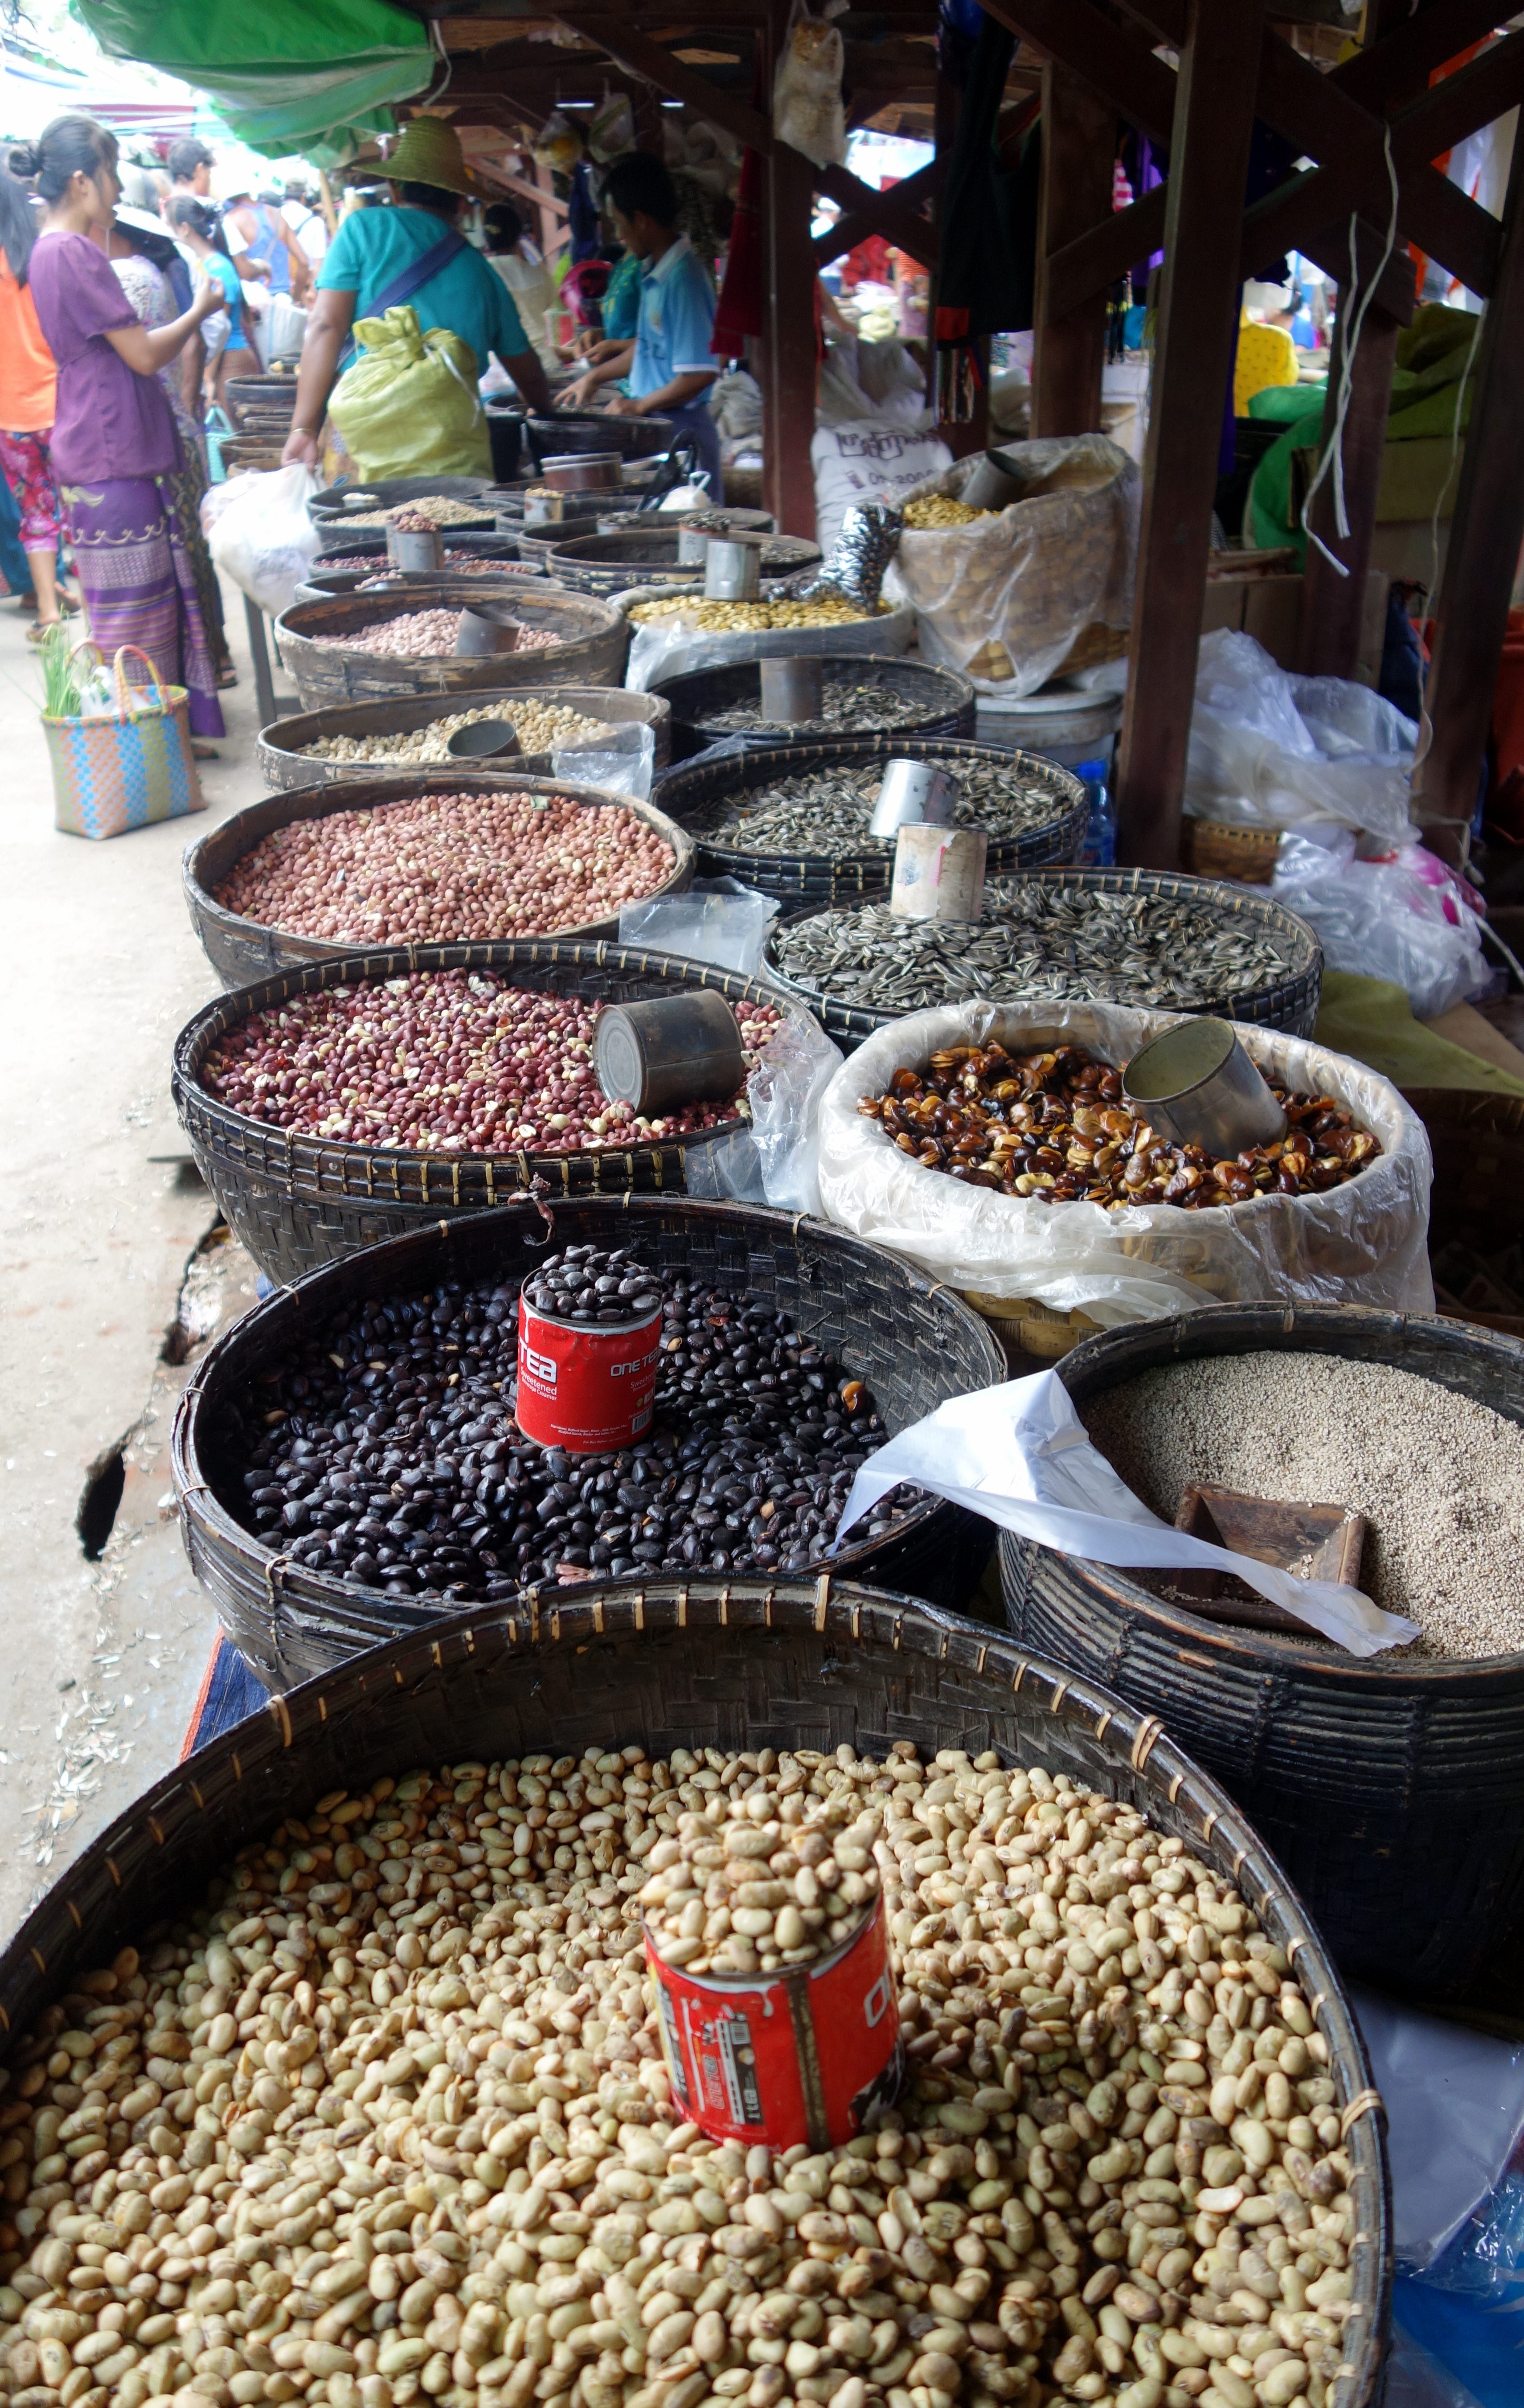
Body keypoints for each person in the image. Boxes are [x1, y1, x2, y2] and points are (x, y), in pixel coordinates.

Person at [16, 115, 227, 743]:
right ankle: (146, 748)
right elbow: (142, 354)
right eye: (110, 175)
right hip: (111, 445)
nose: (116, 191)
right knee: (136, 616)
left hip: (99, 440)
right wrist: (200, 309)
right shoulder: (72, 250)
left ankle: (158, 742)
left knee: (133, 610)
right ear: (82, 181)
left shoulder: (49, 249)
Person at [282, 117, 551, 470]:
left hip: (364, 439)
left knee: (359, 506)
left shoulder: (363, 229)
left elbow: (325, 326)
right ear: (460, 202)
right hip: (452, 452)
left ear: (396, 190)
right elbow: (528, 372)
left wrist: (303, 428)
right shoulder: (483, 272)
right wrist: (548, 417)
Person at [105, 208, 234, 687]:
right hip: (179, 428)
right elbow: (196, 342)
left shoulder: (126, 278)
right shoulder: (158, 274)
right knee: (194, 552)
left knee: (179, 557)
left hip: (155, 434)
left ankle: (200, 665)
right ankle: (217, 656)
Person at [561, 152, 722, 500]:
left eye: (618, 223)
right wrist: (593, 378)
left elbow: (700, 373)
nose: (618, 235)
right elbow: (648, 350)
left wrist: (639, 405)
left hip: (683, 429)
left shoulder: (684, 279)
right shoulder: (655, 272)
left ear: (641, 221)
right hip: (662, 425)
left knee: (689, 524)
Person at [0, 160, 70, 638]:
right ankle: (98, 606)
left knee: (36, 513)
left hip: (12, 417)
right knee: (83, 505)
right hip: (64, 407)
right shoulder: (45, 256)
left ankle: (48, 612)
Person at [168, 196, 258, 418]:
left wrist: (208, 379)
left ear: (185, 229)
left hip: (231, 362)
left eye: (170, 227)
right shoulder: (207, 264)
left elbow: (220, 329)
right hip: (226, 362)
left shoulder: (217, 269)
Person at [481, 199, 560, 373]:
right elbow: (547, 303)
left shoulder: (481, 275)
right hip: (544, 363)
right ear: (518, 235)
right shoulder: (540, 274)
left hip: (501, 370)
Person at [225, 187, 311, 303]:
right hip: (284, 299)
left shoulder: (231, 220)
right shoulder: (276, 214)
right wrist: (296, 299)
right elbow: (304, 263)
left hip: (256, 302)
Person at [283, 182, 328, 275]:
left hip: (276, 281)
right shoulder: (317, 222)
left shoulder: (274, 218)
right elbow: (319, 265)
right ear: (304, 197)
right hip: (306, 278)